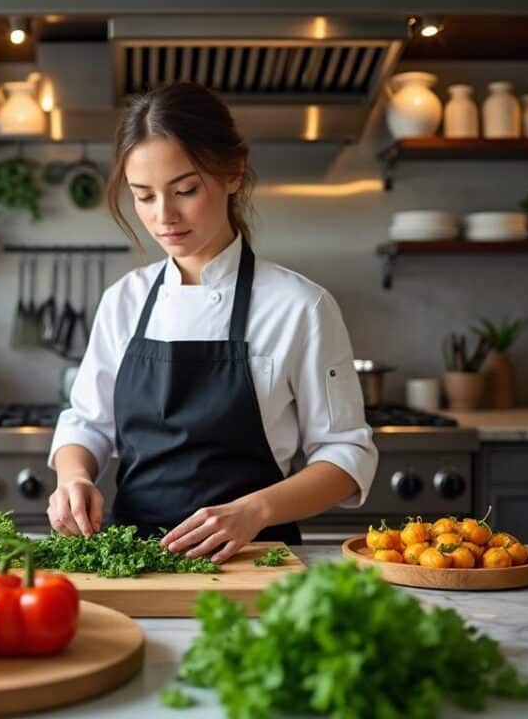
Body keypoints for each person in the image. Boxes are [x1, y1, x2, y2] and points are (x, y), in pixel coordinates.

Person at [45, 82, 377, 563]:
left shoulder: (299, 306)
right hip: (134, 563)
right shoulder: (124, 301)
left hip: (255, 559)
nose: (164, 217)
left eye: (185, 190)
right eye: (144, 196)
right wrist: (73, 477)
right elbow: (87, 423)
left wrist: (255, 510)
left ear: (233, 173)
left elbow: (346, 455)